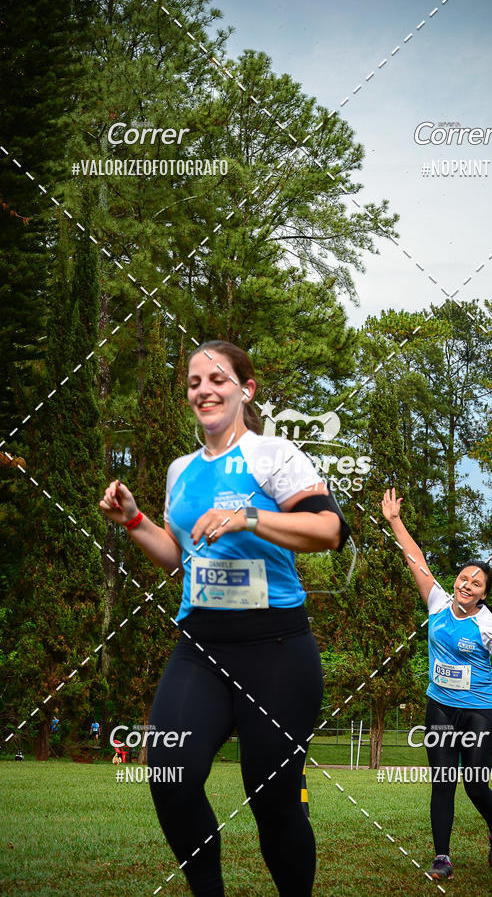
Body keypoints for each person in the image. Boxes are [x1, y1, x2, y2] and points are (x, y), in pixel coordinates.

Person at [100, 341, 348, 897]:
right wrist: (135, 520)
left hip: (277, 647)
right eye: (194, 382)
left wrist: (251, 518)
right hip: (201, 646)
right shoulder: (180, 471)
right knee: (171, 777)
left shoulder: (274, 456)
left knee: (273, 799)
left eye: (217, 379)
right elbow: (179, 556)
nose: (204, 390)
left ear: (245, 389)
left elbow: (330, 530)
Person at [381, 488, 492, 882]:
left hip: (480, 711)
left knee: (473, 781)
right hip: (439, 705)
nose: (466, 584)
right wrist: (394, 521)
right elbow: (415, 560)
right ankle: (442, 857)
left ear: (484, 594)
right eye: (463, 578)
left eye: (476, 583)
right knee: (442, 782)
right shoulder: (436, 602)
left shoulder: (488, 624)